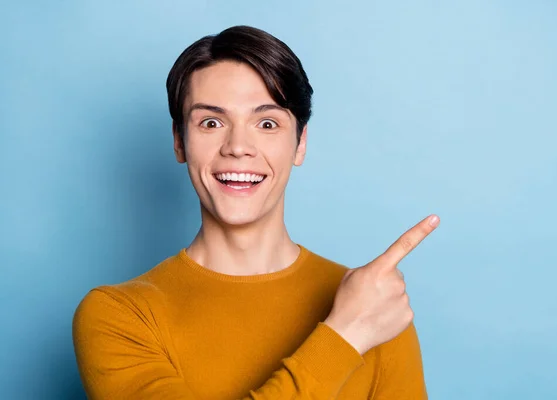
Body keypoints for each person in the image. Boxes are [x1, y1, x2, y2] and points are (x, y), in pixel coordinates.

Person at [72, 25, 439, 399]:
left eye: (267, 123)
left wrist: (359, 321)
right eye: (211, 122)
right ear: (180, 141)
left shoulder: (374, 304)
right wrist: (345, 336)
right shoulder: (117, 315)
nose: (238, 146)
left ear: (300, 143)